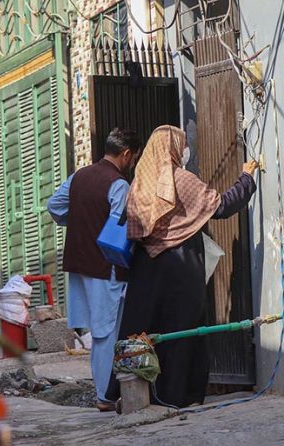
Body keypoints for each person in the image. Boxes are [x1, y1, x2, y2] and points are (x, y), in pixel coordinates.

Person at [105, 125, 258, 408]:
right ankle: (178, 395)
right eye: (183, 144)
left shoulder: (140, 182)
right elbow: (222, 206)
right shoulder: (181, 179)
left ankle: (132, 393)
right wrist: (247, 178)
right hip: (181, 267)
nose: (186, 150)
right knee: (183, 330)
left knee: (143, 329)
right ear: (174, 149)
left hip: (146, 268)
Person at [47, 128, 141, 412]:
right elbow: (118, 227)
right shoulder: (119, 184)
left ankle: (106, 390)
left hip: (79, 264)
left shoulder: (78, 176)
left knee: (98, 329)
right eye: (133, 157)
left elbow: (55, 206)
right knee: (106, 331)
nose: (133, 163)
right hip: (105, 266)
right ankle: (105, 395)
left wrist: (79, 222)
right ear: (126, 154)